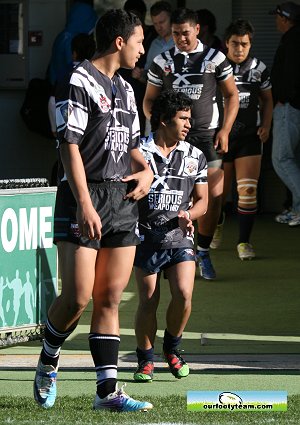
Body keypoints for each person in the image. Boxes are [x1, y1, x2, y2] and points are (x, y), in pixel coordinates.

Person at [33, 9, 154, 412]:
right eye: (139, 42)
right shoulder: (78, 79)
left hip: (122, 201)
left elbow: (133, 145)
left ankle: (108, 393)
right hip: (83, 198)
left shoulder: (127, 89)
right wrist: (85, 203)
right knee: (78, 297)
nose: (143, 49)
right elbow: (68, 145)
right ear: (119, 42)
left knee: (109, 299)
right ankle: (49, 358)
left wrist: (148, 172)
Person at [143, 8, 239, 280]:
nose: (181, 38)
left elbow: (231, 95)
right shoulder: (162, 60)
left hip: (206, 137)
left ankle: (204, 251)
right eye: (175, 33)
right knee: (169, 194)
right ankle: (169, 247)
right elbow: (149, 100)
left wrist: (226, 130)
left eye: (185, 32)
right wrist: (158, 127)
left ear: (197, 29)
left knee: (213, 196)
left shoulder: (215, 58)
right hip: (171, 138)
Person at [133, 90, 208, 382]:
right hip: (144, 238)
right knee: (148, 300)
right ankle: (145, 360)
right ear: (164, 120)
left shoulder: (195, 155)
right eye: (183, 118)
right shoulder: (138, 151)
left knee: (184, 295)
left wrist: (191, 215)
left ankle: (172, 349)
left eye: (190, 118)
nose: (189, 124)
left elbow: (202, 201)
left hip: (180, 237)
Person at [210, 19, 273, 259]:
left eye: (244, 44)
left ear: (250, 44)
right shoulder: (215, 66)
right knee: (218, 196)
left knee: (247, 190)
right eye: (235, 44)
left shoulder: (259, 68)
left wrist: (266, 125)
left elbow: (268, 99)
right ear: (226, 43)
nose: (239, 49)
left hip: (249, 136)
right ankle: (215, 226)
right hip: (220, 137)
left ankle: (244, 242)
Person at [269, 2, 300, 227]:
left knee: (281, 159)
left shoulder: (292, 40)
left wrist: (283, 96)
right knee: (291, 158)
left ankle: (299, 208)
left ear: (286, 18)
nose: (275, 20)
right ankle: (296, 208)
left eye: (278, 16)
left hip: (290, 107)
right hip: (293, 107)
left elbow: (290, 76)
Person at [119, 0, 157, 136]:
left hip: (146, 88)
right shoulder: (121, 36)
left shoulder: (154, 35)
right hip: (125, 85)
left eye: (135, 16)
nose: (141, 50)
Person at [47, 0, 97, 89]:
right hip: (69, 89)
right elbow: (74, 68)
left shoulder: (63, 36)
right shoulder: (71, 39)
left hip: (57, 87)